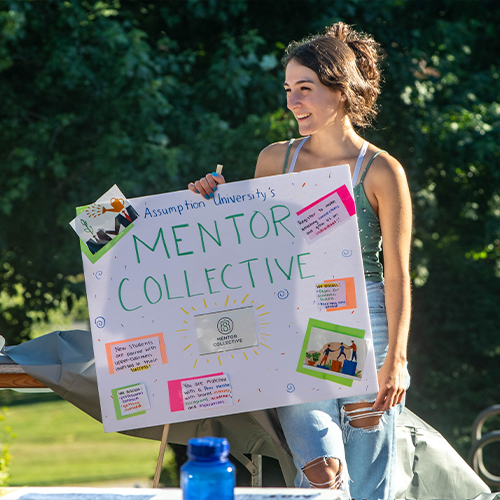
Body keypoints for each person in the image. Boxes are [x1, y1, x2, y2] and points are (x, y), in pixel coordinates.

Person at [188, 22, 412, 500]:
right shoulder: (274, 160)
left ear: (341, 90)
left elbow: (398, 274)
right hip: (292, 322)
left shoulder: (382, 170)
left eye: (305, 89)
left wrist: (397, 360)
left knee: (370, 485)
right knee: (319, 477)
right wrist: (210, 202)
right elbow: (250, 252)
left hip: (364, 326)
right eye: (289, 90)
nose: (293, 102)